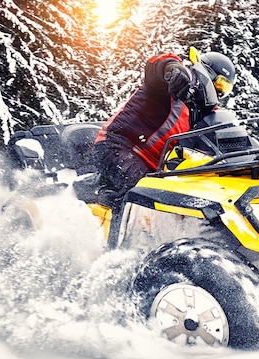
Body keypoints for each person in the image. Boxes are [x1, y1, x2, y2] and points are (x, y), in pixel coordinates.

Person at [91, 47, 237, 246]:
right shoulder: (173, 85)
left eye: (225, 88)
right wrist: (173, 68)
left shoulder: (204, 113)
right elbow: (156, 66)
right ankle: (116, 254)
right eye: (218, 83)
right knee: (139, 193)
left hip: (156, 169)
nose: (219, 91)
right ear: (206, 73)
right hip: (119, 146)